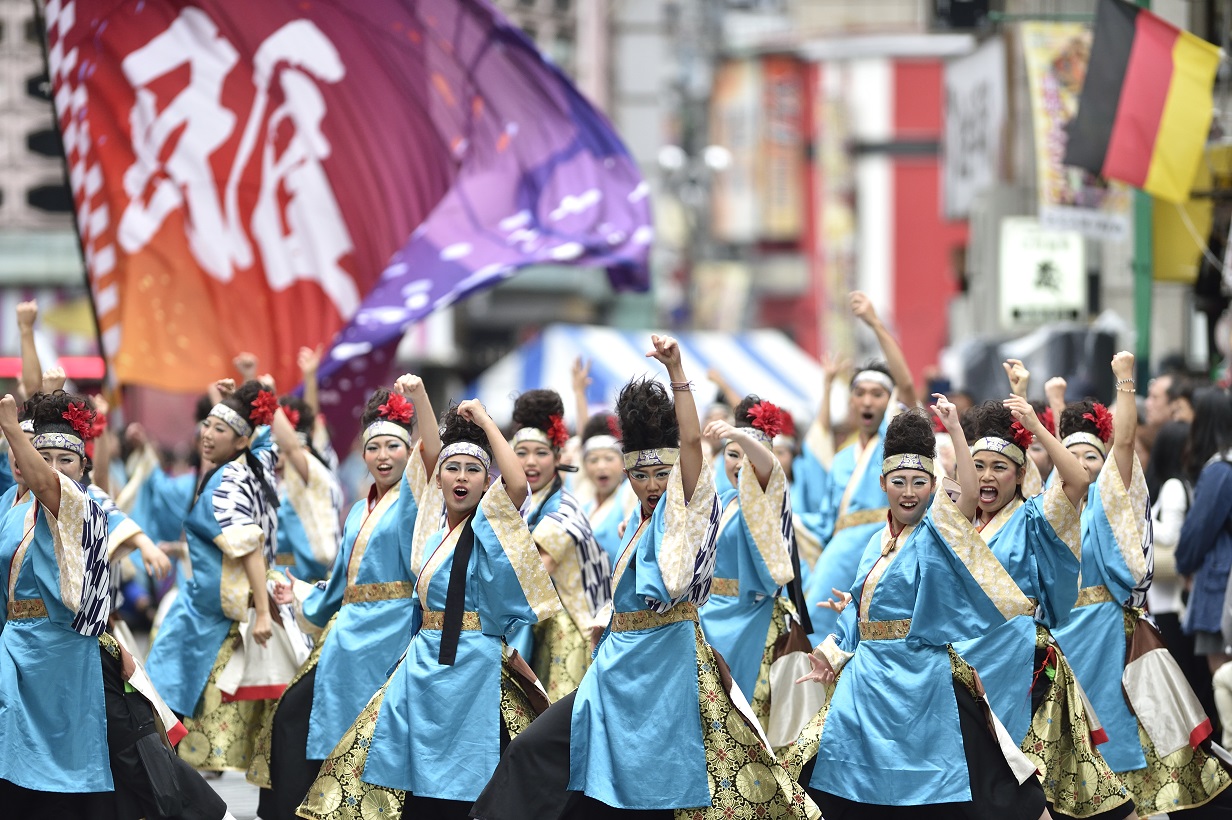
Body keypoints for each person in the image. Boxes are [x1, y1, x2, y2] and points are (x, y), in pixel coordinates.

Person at [472, 335, 817, 820]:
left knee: (655, 787)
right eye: (641, 476)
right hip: (616, 661)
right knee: (539, 751)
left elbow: (693, 442)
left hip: (668, 661)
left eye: (661, 475)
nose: (651, 485)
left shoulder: (686, 510)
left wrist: (677, 371)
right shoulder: (636, 520)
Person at [297, 398, 560, 819]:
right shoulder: (432, 525)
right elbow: (433, 455)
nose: (461, 477)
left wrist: (487, 423)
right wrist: (421, 398)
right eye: (452, 468)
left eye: (474, 470)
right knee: (380, 751)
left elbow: (515, 485)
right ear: (437, 478)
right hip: (422, 656)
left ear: (484, 481)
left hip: (475, 660)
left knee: (476, 769)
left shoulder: (489, 526)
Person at [791, 400, 1048, 819]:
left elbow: (966, 493)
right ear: (883, 484)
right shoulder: (875, 543)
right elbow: (859, 609)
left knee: (983, 785)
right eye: (899, 481)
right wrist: (829, 654)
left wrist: (955, 430)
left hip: (923, 680)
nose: (908, 492)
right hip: (869, 681)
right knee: (824, 777)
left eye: (918, 482)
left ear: (933, 486)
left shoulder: (936, 532)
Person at [1052, 355, 1230, 816]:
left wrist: (1125, 380)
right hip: (1061, 638)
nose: (1081, 464)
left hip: (1106, 635)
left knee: (1120, 747)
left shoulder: (1112, 504)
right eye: (1069, 455)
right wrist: (1050, 406)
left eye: (1091, 455)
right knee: (1066, 756)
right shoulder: (1046, 512)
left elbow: (1125, 440)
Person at [249, 380, 427, 820]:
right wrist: (302, 593)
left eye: (393, 446)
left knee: (370, 730)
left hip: (391, 630)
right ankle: (303, 808)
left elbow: (434, 456)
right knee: (295, 714)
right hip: (349, 631)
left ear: (409, 452)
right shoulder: (357, 509)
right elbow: (341, 582)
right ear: (362, 455)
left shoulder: (414, 497)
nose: (383, 456)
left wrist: (420, 399)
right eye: (374, 448)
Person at [947, 396, 1134, 818]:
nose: (988, 476)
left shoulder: (1034, 516)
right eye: (978, 467)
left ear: (1019, 474)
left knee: (1034, 783)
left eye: (1000, 467)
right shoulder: (959, 523)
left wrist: (1035, 423)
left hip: (1022, 664)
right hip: (967, 663)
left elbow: (1077, 479)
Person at [145, 380, 282, 773]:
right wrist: (233, 403)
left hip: (207, 619)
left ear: (240, 440)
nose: (206, 435)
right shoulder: (255, 465)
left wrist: (261, 613)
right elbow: (263, 441)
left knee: (160, 708)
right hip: (215, 609)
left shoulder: (227, 482)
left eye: (219, 429)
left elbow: (249, 546)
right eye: (206, 424)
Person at [0, 390, 112, 815]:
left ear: (85, 467)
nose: (51, 467)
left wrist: (12, 429)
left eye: (65, 459)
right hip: (14, 639)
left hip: (59, 646)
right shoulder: (14, 509)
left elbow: (47, 484)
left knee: (60, 763)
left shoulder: (79, 503)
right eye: (41, 456)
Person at [804, 292, 917, 642]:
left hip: (884, 543)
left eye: (877, 394)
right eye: (861, 393)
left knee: (879, 626)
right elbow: (822, 518)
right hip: (840, 549)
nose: (868, 400)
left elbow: (908, 387)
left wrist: (875, 323)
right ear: (851, 399)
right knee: (815, 619)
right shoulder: (841, 458)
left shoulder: (893, 439)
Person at [697, 394, 794, 727]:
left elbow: (768, 466)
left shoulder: (768, 496)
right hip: (711, 614)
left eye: (747, 456)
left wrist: (738, 435)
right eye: (732, 455)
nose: (739, 464)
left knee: (742, 712)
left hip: (752, 615)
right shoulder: (722, 500)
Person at [509, 388, 611, 700]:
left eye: (540, 453)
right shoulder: (524, 503)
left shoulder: (563, 509)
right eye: (521, 453)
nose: (530, 462)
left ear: (558, 457)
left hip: (571, 630)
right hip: (534, 622)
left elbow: (531, 577)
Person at [1177, 389, 1232, 735]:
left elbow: (1197, 532)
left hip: (1219, 590)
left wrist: (1184, 563)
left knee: (1223, 686)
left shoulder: (1220, 469)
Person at [576, 413, 638, 567]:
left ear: (623, 463)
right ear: (584, 466)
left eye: (609, 459)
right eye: (593, 460)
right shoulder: (584, 504)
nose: (601, 466)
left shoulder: (629, 492)